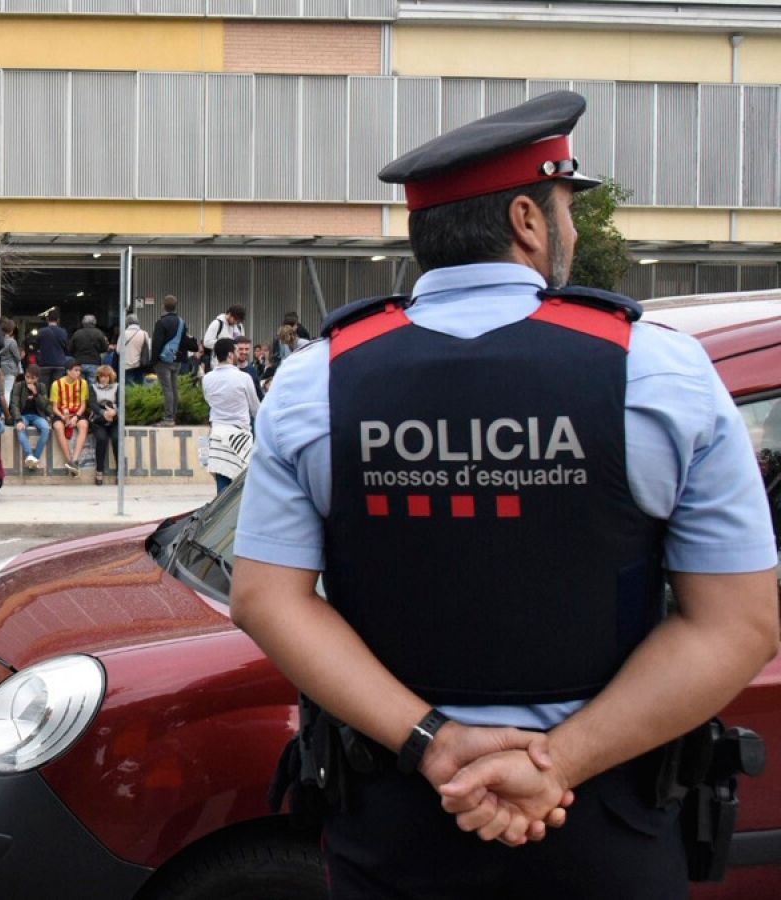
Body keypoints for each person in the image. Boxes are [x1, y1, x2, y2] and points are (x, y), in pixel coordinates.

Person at [229, 90, 779, 898]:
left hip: (399, 813)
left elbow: (266, 601)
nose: (573, 230)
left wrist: (436, 742)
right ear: (527, 219)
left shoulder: (319, 381)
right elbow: (738, 623)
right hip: (605, 821)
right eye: (566, 208)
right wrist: (557, 765)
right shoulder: (660, 371)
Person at [201, 337, 258, 494]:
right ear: (230, 355)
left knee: (222, 487)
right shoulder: (244, 378)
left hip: (218, 434)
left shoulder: (207, 379)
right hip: (241, 435)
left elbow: (208, 400)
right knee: (243, 488)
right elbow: (255, 408)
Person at [151, 295, 188, 426]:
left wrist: (153, 361)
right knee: (174, 388)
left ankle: (168, 419)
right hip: (176, 360)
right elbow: (184, 342)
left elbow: (156, 343)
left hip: (163, 361)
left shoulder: (161, 322)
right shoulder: (182, 322)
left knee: (167, 389)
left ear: (163, 306)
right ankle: (173, 416)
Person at [49, 364, 90, 476]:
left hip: (77, 412)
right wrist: (63, 417)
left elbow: (83, 405)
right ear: (68, 371)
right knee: (58, 426)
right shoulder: (56, 384)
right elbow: (54, 407)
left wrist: (76, 416)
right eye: (76, 370)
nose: (78, 373)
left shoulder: (83, 383)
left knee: (84, 425)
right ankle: (69, 460)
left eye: (79, 371)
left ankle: (75, 460)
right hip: (61, 413)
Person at [11, 365, 52, 470]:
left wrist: (36, 393)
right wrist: (19, 420)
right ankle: (29, 455)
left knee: (46, 429)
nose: (29, 380)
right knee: (20, 428)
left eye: (32, 378)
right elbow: (14, 405)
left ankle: (35, 459)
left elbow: (45, 406)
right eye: (27, 377)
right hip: (22, 415)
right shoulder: (18, 386)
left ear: (37, 378)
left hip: (37, 416)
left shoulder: (41, 387)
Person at [88, 365, 121, 486]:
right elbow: (92, 404)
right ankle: (99, 471)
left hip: (114, 418)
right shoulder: (93, 387)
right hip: (99, 419)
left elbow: (121, 402)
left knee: (117, 439)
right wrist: (103, 413)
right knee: (101, 439)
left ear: (110, 377)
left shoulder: (117, 387)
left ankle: (120, 472)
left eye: (106, 376)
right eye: (101, 376)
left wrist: (114, 412)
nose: (104, 379)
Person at [199, 304, 246, 374]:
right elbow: (206, 342)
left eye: (238, 321)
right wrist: (224, 344)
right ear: (229, 314)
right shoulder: (217, 323)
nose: (235, 322)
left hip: (236, 366)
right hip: (219, 365)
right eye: (235, 319)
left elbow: (242, 342)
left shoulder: (239, 326)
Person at [68, 314, 109, 383]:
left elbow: (70, 349)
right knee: (93, 386)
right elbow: (105, 348)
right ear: (94, 323)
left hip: (79, 363)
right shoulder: (99, 333)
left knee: (79, 385)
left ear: (83, 323)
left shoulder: (77, 333)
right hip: (94, 362)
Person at [35, 310, 69, 385]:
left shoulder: (41, 332)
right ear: (58, 320)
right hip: (59, 364)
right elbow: (66, 347)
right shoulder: (63, 332)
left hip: (44, 363)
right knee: (57, 388)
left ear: (47, 319)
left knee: (43, 389)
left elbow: (36, 346)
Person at [0, 318, 22, 413]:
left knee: (1, 391)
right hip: (10, 368)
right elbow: (17, 357)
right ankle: (4, 412)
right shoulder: (12, 342)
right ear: (12, 330)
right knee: (7, 391)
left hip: (0, 367)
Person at [120, 315, 150, 386]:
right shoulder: (144, 333)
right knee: (139, 386)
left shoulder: (124, 333)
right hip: (140, 364)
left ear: (127, 323)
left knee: (128, 386)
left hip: (126, 365)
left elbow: (118, 350)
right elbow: (147, 349)